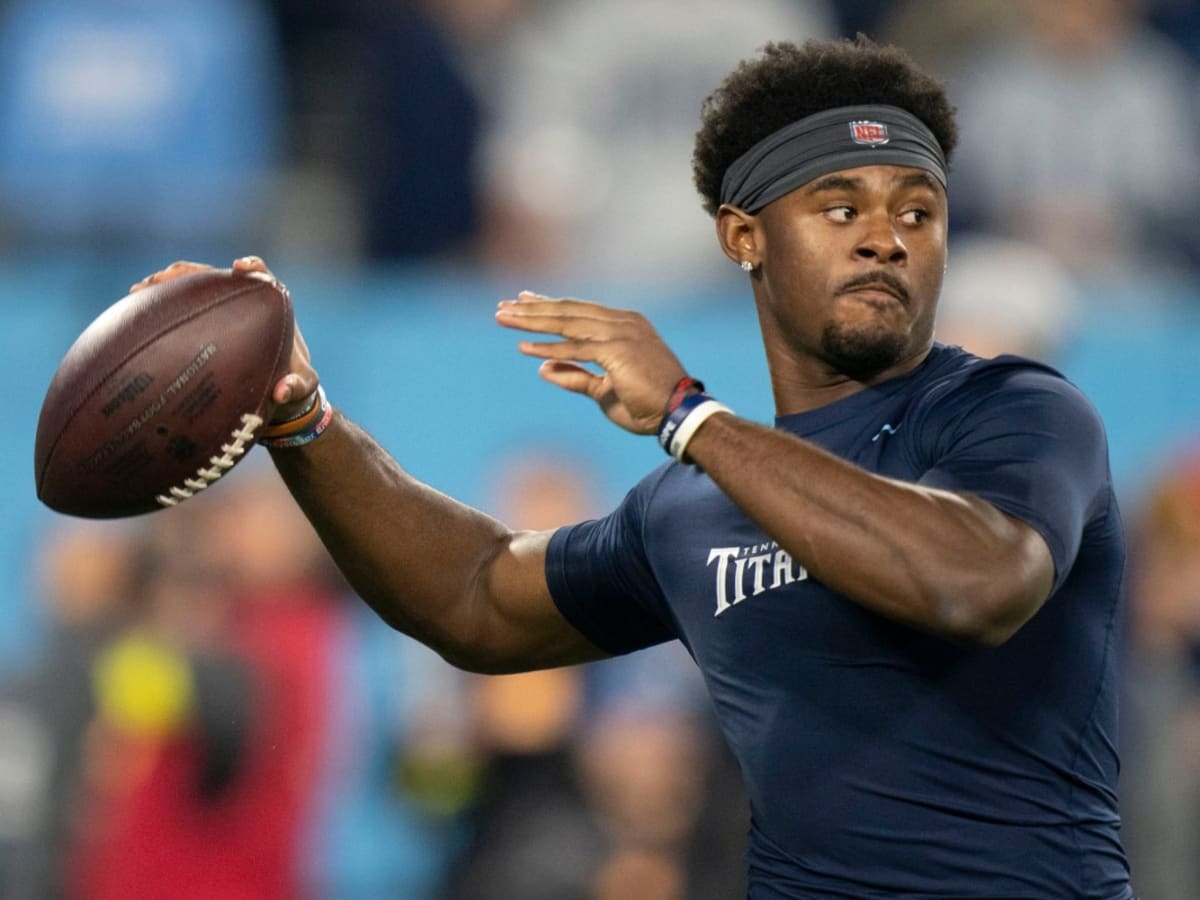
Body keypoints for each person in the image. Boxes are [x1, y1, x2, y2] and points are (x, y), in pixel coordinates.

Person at [135, 36, 1133, 897]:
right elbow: (475, 598)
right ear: (746, 237)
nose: (886, 237)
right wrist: (303, 418)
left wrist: (693, 418)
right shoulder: (692, 507)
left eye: (918, 213)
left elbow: (975, 580)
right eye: (839, 209)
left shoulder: (1019, 415)